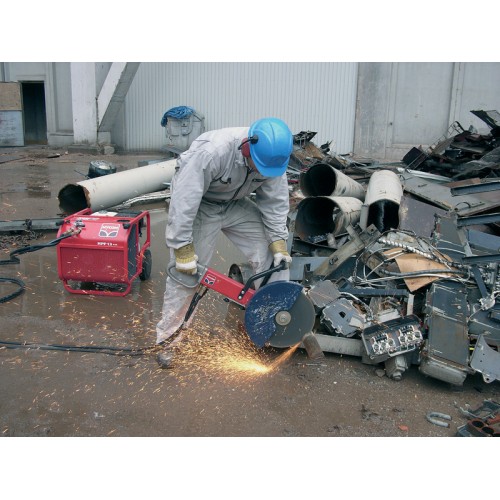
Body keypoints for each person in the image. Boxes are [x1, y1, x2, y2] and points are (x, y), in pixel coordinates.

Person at [155, 117, 294, 368]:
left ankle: (273, 326)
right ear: (247, 148)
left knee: (275, 260)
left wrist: (278, 241)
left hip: (236, 204)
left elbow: (275, 202)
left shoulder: (272, 159)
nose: (263, 173)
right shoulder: (212, 152)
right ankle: (169, 341)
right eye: (259, 166)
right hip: (202, 204)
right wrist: (182, 246)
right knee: (186, 273)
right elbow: (184, 201)